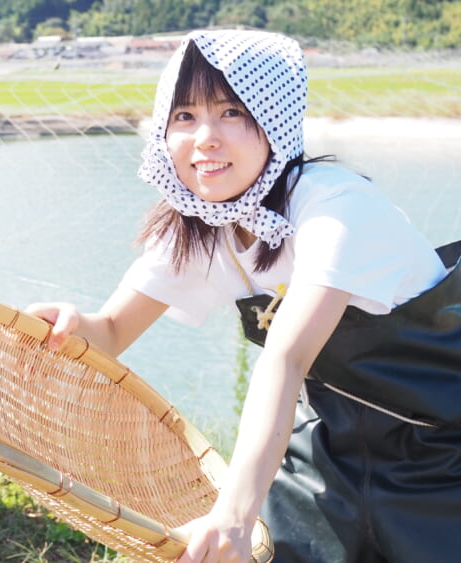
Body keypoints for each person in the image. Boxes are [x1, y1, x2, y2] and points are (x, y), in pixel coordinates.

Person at [29, 29, 461, 562]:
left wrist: (234, 513)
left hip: (443, 447)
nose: (204, 138)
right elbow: (112, 331)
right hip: (328, 444)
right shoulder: (199, 223)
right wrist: (73, 325)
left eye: (232, 111)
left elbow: (288, 356)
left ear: (275, 118)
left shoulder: (337, 206)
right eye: (183, 117)